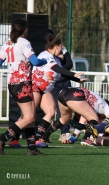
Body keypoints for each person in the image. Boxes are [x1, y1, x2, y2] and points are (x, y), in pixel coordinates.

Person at [0, 19, 47, 155]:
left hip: (13, 83)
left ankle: (32, 148)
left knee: (29, 116)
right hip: (22, 84)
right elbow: (35, 61)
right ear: (25, 29)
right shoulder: (24, 42)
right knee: (29, 118)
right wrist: (46, 60)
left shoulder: (7, 43)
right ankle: (2, 139)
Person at [32, 33, 87, 148]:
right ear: (56, 46)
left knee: (51, 112)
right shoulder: (46, 55)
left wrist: (77, 79)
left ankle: (38, 139)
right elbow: (56, 68)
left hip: (45, 90)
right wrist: (73, 74)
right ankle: (9, 138)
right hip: (36, 87)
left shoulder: (55, 58)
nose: (62, 51)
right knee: (29, 116)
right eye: (61, 48)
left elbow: (60, 71)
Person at [41, 87, 109, 146]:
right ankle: (86, 139)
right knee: (94, 119)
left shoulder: (94, 107)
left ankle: (45, 136)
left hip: (63, 92)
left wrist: (72, 139)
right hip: (74, 94)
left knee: (64, 119)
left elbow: (82, 121)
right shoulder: (105, 108)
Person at [48, 29, 74, 144]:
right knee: (50, 110)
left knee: (65, 108)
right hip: (53, 84)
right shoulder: (46, 53)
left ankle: (65, 133)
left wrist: (62, 70)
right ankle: (44, 133)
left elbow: (69, 64)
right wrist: (59, 60)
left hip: (65, 82)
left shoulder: (62, 49)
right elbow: (52, 67)